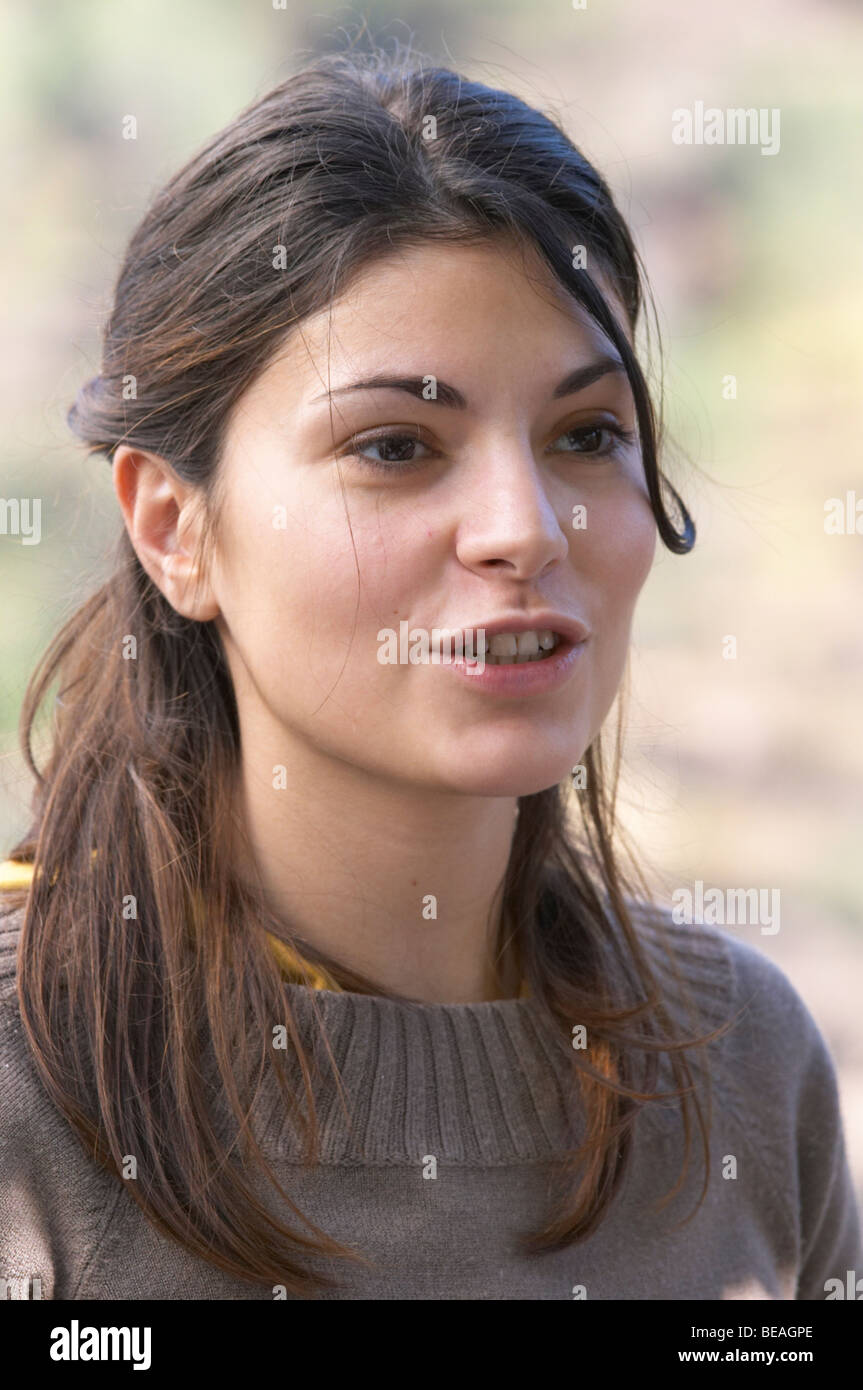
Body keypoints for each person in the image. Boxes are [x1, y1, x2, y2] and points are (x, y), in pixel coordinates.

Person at [1, 41, 860, 1301]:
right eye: (397, 445)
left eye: (586, 435)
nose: (523, 524)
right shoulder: (27, 1099)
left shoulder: (744, 1065)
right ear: (175, 527)